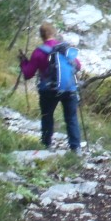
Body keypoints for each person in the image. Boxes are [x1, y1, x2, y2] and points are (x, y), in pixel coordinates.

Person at [18, 22, 83, 153]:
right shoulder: (64, 49)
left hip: (49, 90)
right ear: (54, 33)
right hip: (69, 89)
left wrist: (23, 62)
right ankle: (75, 148)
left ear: (41, 35)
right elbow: (78, 66)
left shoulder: (39, 52)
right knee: (71, 118)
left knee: (47, 115)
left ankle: (46, 145)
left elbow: (28, 74)